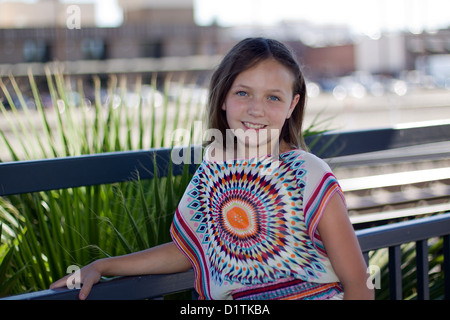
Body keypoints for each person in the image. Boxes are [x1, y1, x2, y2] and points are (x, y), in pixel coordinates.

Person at [50, 37, 374, 300]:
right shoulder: (213, 171)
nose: (255, 109)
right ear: (223, 99)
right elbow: (193, 248)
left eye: (273, 98)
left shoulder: (308, 173)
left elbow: (359, 285)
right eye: (243, 93)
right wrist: (103, 265)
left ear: (292, 105)